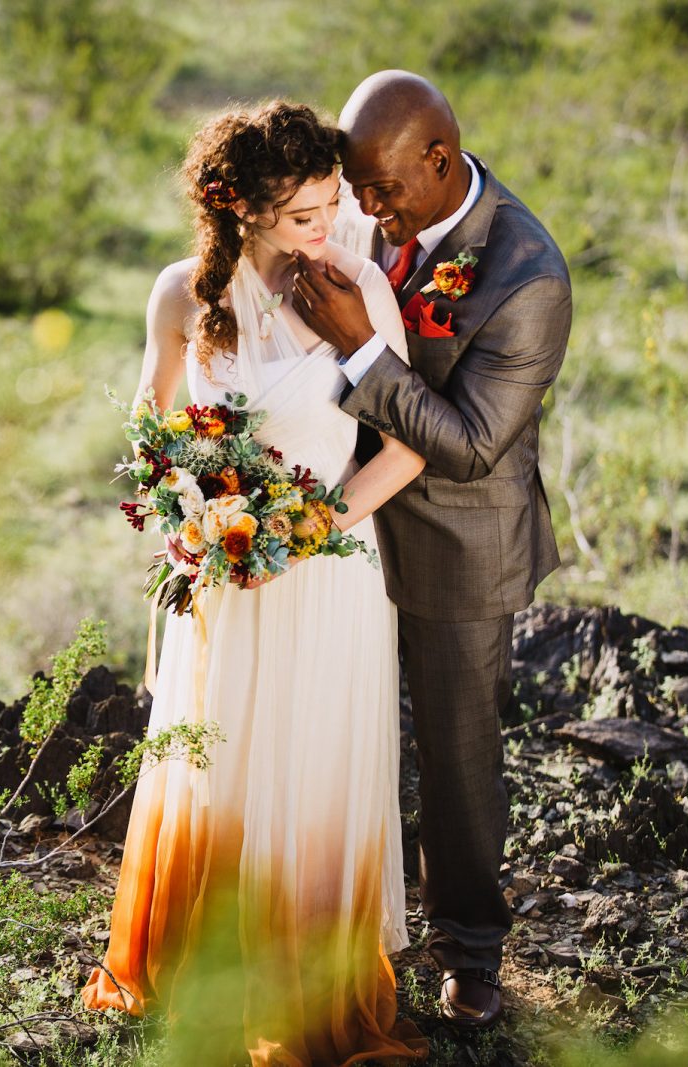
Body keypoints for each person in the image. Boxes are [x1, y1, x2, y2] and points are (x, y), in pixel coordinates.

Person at [80, 101, 431, 1065]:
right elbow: (153, 440)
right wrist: (200, 527)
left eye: (333, 204)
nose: (335, 225)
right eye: (307, 214)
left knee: (313, 771)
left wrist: (318, 521)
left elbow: (407, 445)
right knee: (225, 768)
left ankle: (308, 978)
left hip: (331, 575)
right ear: (240, 207)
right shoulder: (179, 297)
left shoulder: (356, 283)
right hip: (227, 581)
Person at [291, 70, 573, 1029]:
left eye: (380, 192)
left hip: (464, 544)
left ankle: (472, 952)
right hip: (356, 531)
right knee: (348, 728)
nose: (366, 212)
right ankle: (341, 921)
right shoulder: (376, 216)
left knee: (457, 758)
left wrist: (363, 351)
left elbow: (467, 442)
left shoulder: (530, 277)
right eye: (356, 192)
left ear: (440, 160)